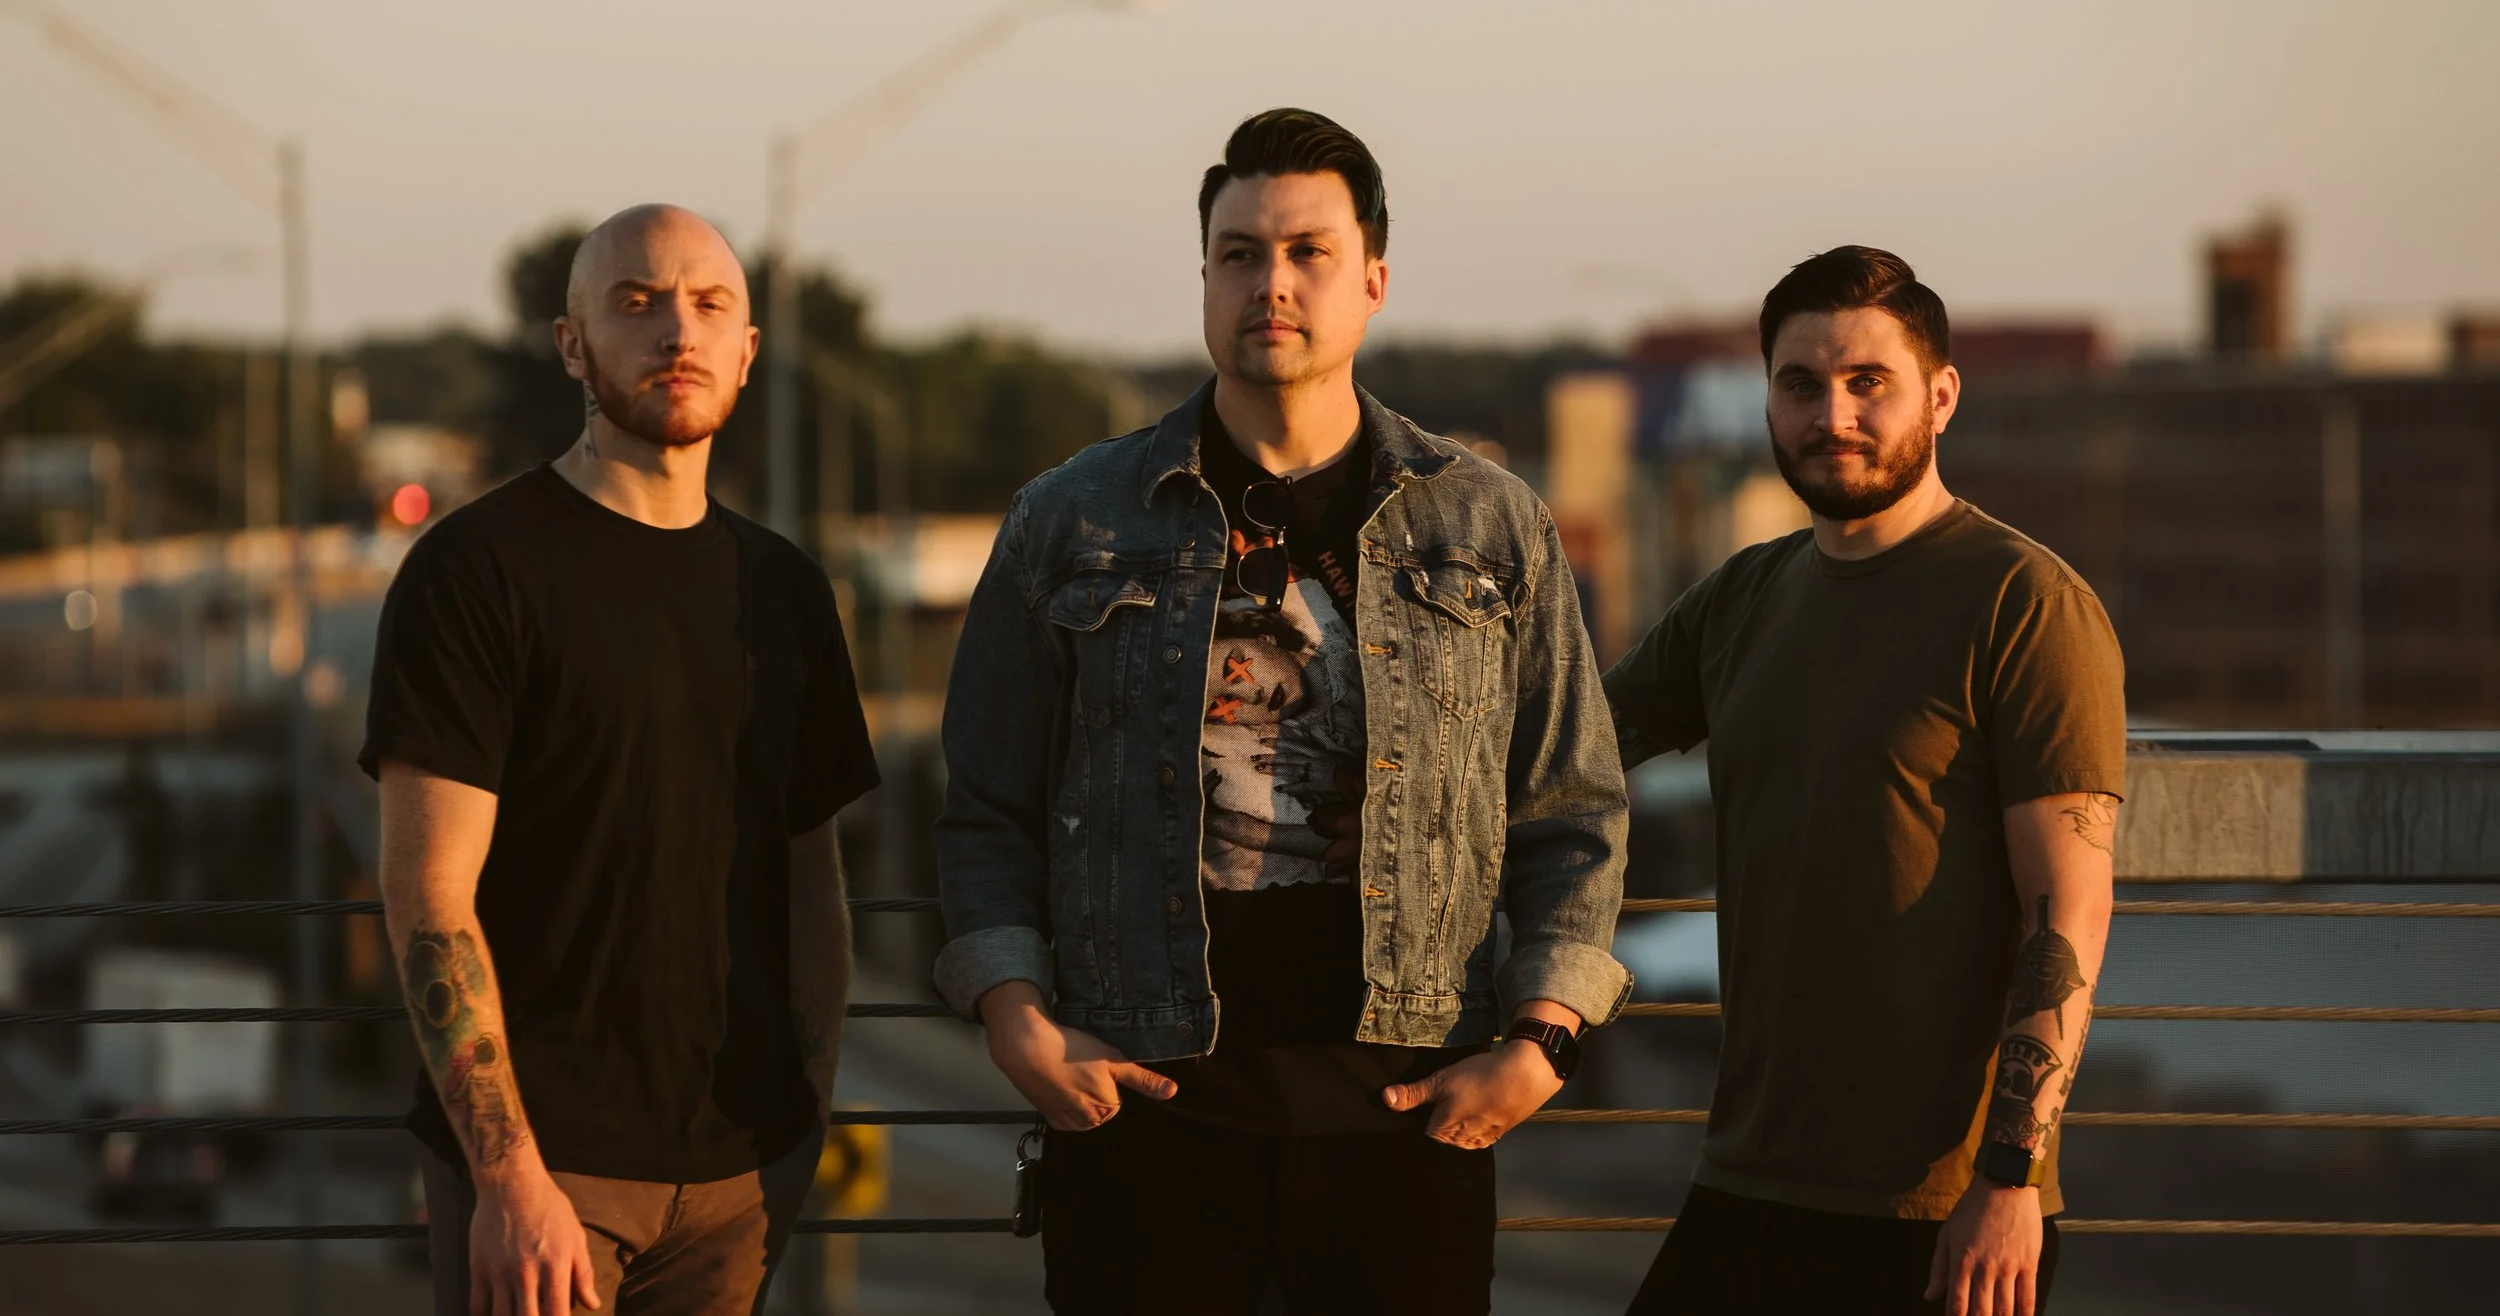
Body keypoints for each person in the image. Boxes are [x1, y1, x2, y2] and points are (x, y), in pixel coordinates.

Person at [934, 109, 1631, 1315]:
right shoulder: (1075, 515)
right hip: (1142, 1110)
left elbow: (1570, 806)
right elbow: (987, 804)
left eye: (1308, 251)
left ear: (1372, 279)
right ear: (1205, 275)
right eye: (1239, 252)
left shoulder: (1486, 522)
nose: (1273, 282)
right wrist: (1014, 1018)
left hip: (1409, 1118)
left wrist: (1542, 1040)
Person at [363, 204, 879, 1316]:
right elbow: (427, 893)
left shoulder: (784, 590)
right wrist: (506, 1176)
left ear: (747, 349)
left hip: (742, 1174)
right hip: (548, 1181)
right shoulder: (474, 570)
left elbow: (810, 879)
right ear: (572, 343)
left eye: (708, 305)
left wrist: (807, 1119)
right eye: (635, 303)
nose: (675, 332)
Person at [1608, 247, 2125, 1316]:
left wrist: (2008, 1179)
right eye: (1799, 383)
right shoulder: (1740, 596)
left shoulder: (2024, 602)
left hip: (1940, 1210)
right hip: (1750, 1169)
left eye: (1865, 383)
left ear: (1940, 395)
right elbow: (1562, 745)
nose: (1830, 414)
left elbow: (2066, 909)